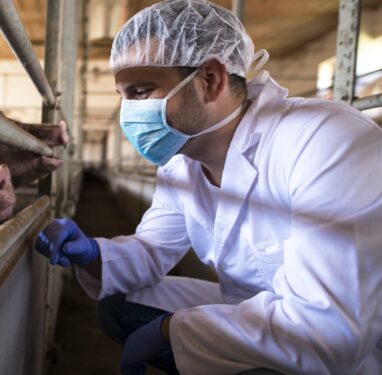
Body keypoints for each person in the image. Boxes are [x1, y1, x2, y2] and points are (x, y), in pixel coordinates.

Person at [33, 0, 382, 374]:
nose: (128, 115)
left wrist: (170, 331)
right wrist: (93, 255)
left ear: (211, 79)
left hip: (344, 345)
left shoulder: (323, 139)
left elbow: (328, 331)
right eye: (123, 98)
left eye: (140, 92)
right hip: (253, 305)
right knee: (119, 304)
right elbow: (154, 248)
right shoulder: (181, 161)